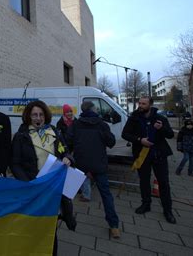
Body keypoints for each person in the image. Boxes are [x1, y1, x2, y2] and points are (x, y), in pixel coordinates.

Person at [11, 100, 76, 256]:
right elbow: (15, 164)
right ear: (28, 116)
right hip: (33, 189)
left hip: (53, 189)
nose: (38, 118)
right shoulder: (21, 136)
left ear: (45, 116)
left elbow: (64, 150)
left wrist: (68, 158)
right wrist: (29, 184)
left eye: (40, 114)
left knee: (50, 229)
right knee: (33, 227)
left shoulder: (55, 131)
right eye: (34, 115)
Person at [67, 101, 121, 238]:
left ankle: (65, 219)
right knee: (106, 195)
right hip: (99, 164)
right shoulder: (102, 124)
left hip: (80, 164)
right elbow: (111, 142)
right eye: (96, 108)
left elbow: (68, 142)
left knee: (67, 192)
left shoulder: (76, 124)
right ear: (93, 110)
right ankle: (114, 226)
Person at [122, 96, 176, 224]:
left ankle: (167, 210)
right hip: (142, 155)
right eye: (139, 103)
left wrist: (161, 128)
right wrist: (140, 140)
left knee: (163, 182)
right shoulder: (133, 118)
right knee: (144, 181)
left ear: (150, 105)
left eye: (144, 104)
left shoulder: (160, 118)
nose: (140, 105)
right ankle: (146, 204)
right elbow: (125, 134)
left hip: (158, 155)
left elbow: (170, 134)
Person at [57, 104, 91, 202]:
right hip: (65, 151)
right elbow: (59, 138)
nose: (69, 113)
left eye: (70, 111)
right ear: (64, 113)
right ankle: (68, 190)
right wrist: (65, 151)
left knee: (80, 170)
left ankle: (84, 192)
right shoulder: (60, 123)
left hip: (77, 149)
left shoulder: (77, 122)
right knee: (68, 170)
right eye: (67, 112)